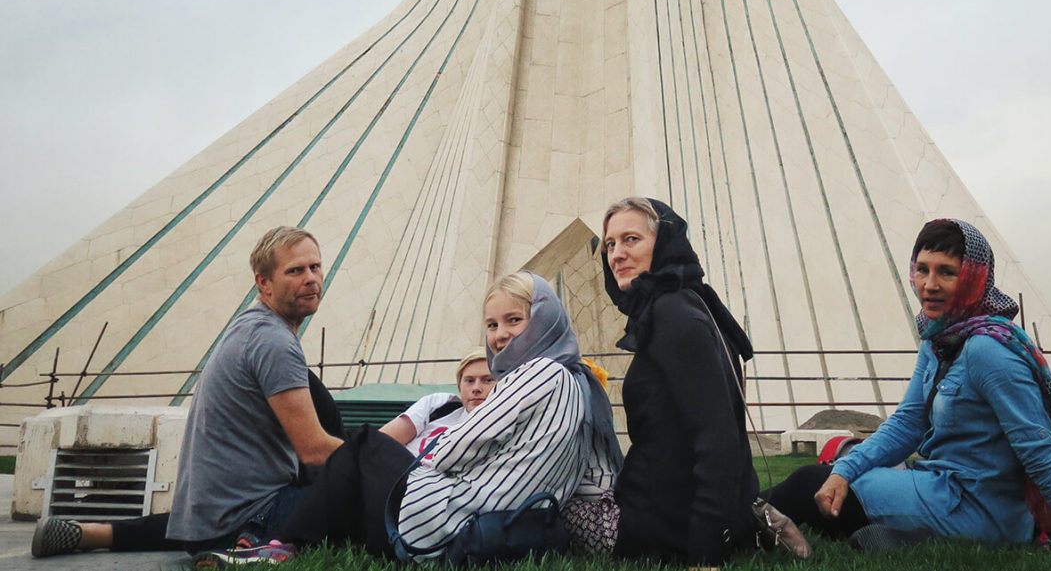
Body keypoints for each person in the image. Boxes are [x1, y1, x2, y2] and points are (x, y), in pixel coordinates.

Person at [764, 218, 1051, 553]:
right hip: (942, 486)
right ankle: (901, 537)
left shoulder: (987, 351)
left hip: (981, 507)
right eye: (922, 269)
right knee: (827, 484)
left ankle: (733, 520)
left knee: (806, 485)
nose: (929, 285)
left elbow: (1039, 452)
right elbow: (907, 424)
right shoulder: (939, 338)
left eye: (946, 272)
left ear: (973, 280)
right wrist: (844, 470)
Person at [31, 226, 344, 560]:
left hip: (199, 521)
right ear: (263, 283)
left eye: (315, 266)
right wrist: (377, 462)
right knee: (352, 496)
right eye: (295, 270)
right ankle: (250, 549)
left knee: (299, 488)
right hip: (242, 520)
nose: (311, 278)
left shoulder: (248, 327)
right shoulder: (275, 344)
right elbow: (313, 450)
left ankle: (90, 534)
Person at [281, 271, 622, 562]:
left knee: (365, 444)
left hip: (447, 524)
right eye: (492, 324)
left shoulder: (539, 372)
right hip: (493, 521)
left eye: (514, 320)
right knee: (361, 459)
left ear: (546, 320)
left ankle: (286, 541)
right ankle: (299, 538)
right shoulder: (579, 383)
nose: (500, 334)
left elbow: (455, 447)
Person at [599, 196, 809, 565]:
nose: (616, 254)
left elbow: (718, 436)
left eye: (631, 239)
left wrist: (707, 544)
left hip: (662, 525)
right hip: (662, 509)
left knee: (552, 512)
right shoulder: (683, 303)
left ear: (663, 242)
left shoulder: (672, 314)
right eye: (610, 244)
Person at [379, 348, 495, 459]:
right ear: (459, 386)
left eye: (487, 380)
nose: (476, 388)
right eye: (469, 381)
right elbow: (380, 444)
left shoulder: (505, 429)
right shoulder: (440, 405)